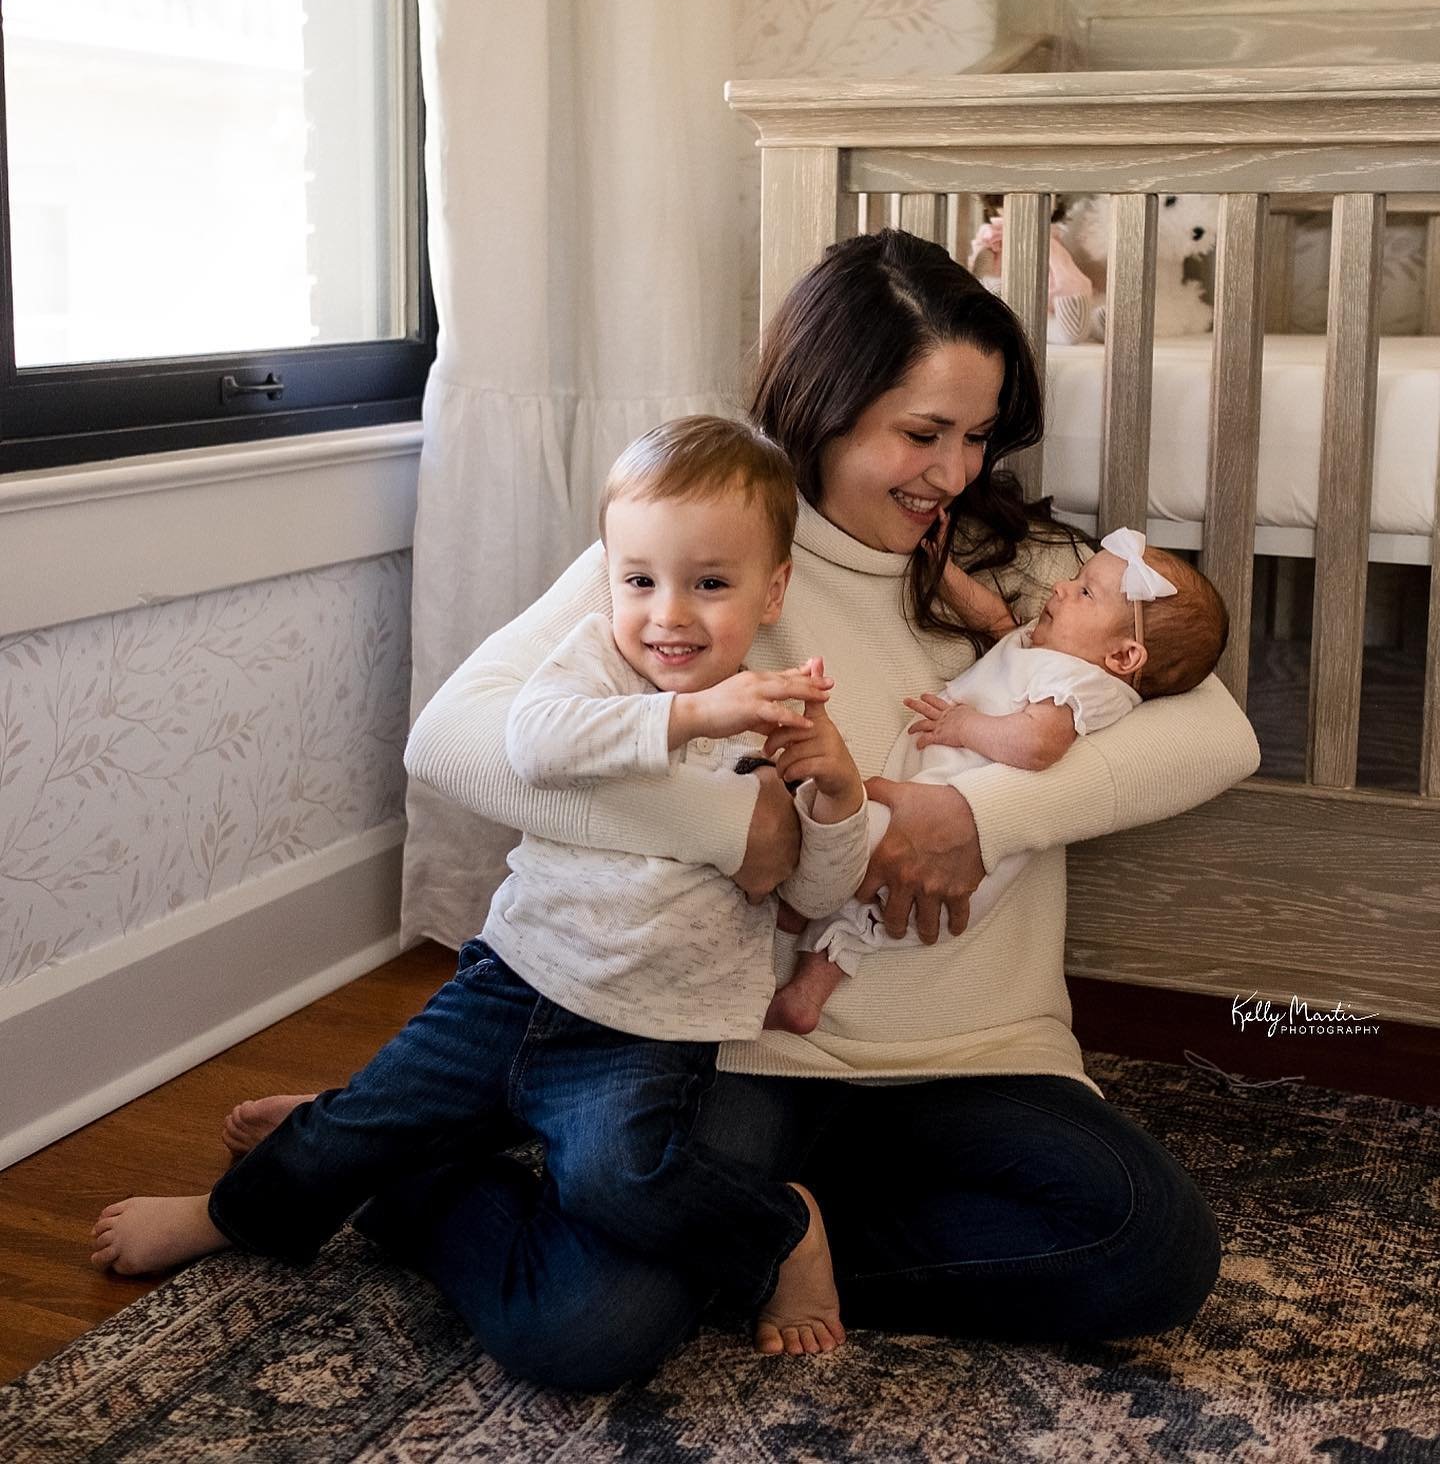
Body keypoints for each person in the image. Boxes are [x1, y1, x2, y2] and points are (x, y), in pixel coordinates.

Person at [212, 229, 1261, 1392]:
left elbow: (1223, 732)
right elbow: (455, 740)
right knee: (578, 1330)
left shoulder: (1012, 563)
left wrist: (986, 818)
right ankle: (421, 1166)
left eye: (977, 435)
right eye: (922, 435)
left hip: (974, 1051)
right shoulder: (711, 557)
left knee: (1150, 1252)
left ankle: (726, 1228)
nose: (952, 474)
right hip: (748, 1047)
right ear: (824, 404)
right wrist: (741, 830)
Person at [91, 417, 872, 1356]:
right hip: (513, 980)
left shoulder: (777, 718)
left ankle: (784, 1231)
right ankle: (232, 1213)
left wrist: (838, 792)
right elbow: (533, 744)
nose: (668, 614)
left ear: (772, 589)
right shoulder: (596, 665)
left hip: (649, 1031)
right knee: (366, 1117)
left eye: (709, 584)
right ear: (608, 581)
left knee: (617, 1181)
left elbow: (817, 892)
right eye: (640, 581)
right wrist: (690, 715)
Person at [765, 529, 1229, 1034]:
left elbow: (1035, 745)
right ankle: (803, 987)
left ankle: (796, 925)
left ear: (1123, 657)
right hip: (924, 805)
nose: (1059, 588)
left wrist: (964, 725)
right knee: (851, 882)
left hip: (946, 852)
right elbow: (992, 619)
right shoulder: (1057, 648)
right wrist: (941, 570)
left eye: (1084, 592)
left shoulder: (1080, 683)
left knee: (850, 851)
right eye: (1075, 579)